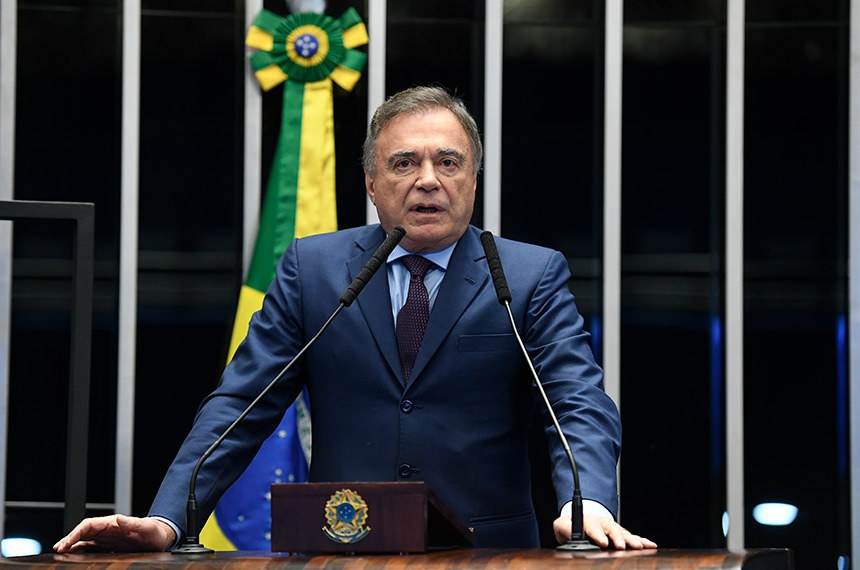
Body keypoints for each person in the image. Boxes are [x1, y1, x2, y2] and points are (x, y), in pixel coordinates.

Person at [55, 85, 656, 553]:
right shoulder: (313, 270)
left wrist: (588, 504)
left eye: (448, 162)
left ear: (474, 179)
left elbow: (576, 400)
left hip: (489, 555)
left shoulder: (527, 276)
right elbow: (240, 404)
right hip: (339, 549)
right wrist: (168, 517)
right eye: (403, 163)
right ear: (371, 182)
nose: (427, 180)